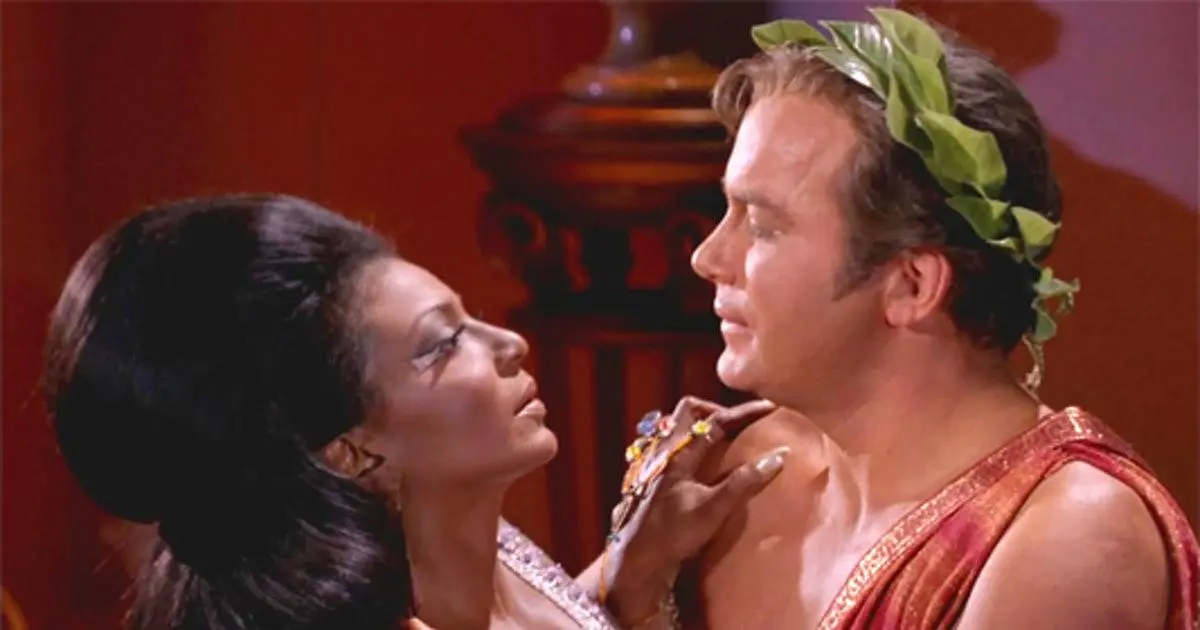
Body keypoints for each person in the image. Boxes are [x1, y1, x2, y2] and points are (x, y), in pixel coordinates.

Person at [669, 7, 1198, 629]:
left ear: (912, 285)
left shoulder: (1066, 541)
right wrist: (630, 589)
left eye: (762, 225)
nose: (708, 258)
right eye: (727, 211)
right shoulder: (742, 475)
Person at [43, 193, 792, 630]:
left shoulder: (457, 531)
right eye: (441, 346)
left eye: (466, 317)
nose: (509, 345)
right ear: (350, 451)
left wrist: (626, 577)